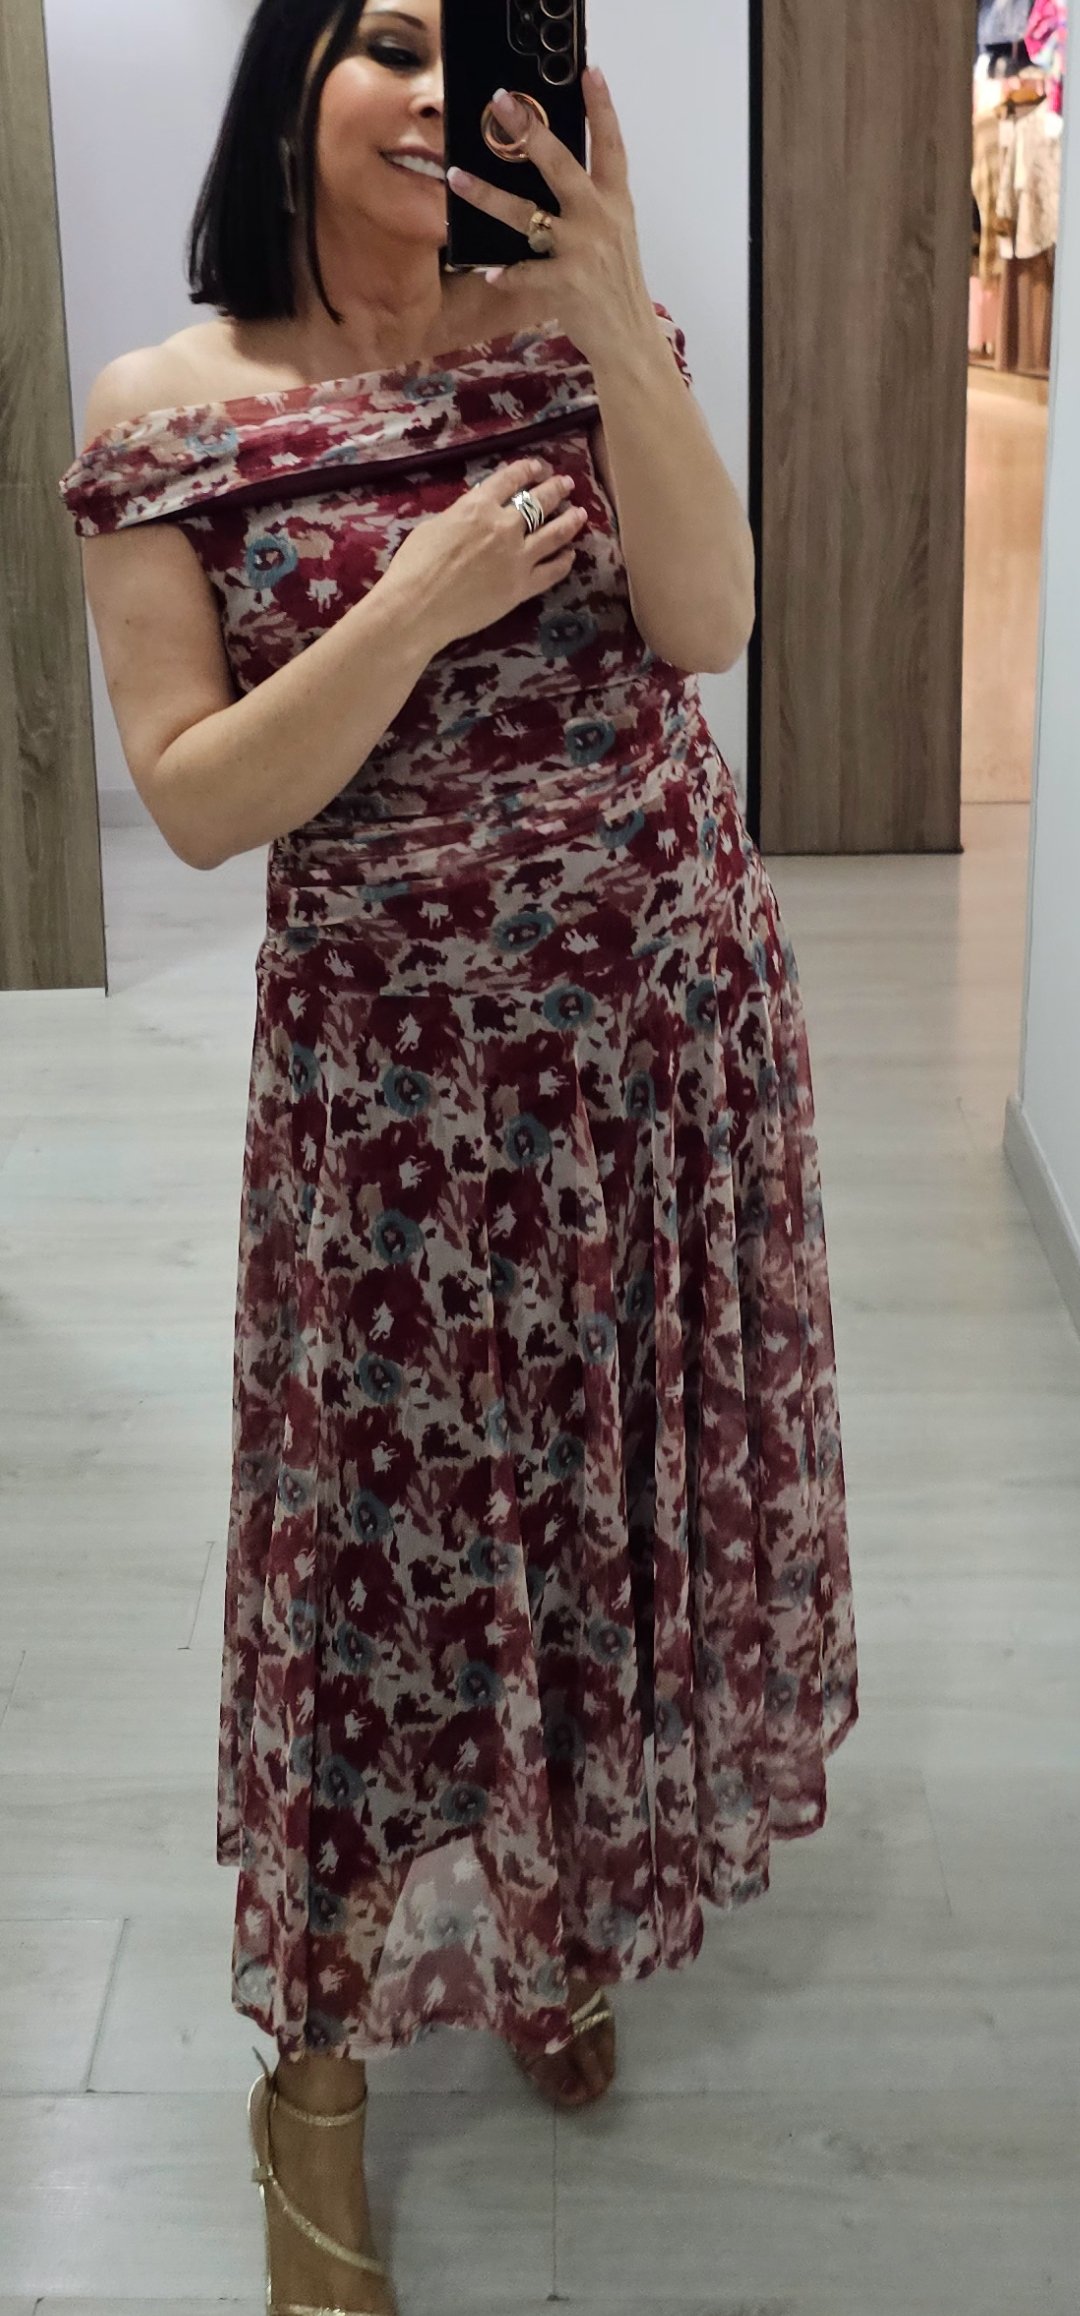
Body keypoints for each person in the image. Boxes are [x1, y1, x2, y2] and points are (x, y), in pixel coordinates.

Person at [58, 4, 859, 2310]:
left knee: (598, 1519)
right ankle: (310, 2072)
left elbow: (709, 620)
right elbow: (197, 800)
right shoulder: (169, 407)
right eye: (384, 40)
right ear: (287, 84)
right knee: (367, 1571)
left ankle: (545, 1912)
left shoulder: (580, 330)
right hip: (397, 1117)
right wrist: (420, 604)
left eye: (471, 34)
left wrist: (610, 296)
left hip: (665, 1064)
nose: (433, 88)